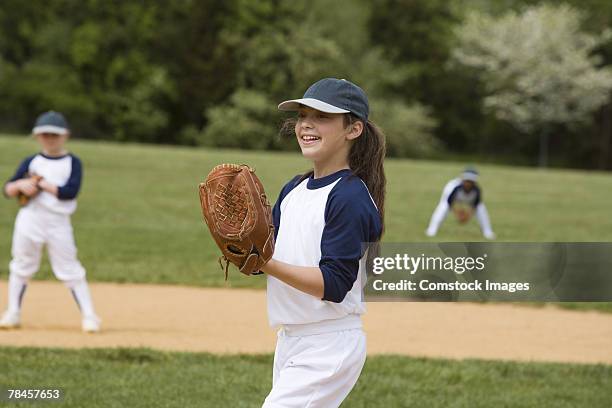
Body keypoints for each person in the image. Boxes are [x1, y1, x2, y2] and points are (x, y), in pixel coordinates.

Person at [258, 78, 384, 407]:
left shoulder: (349, 196)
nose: (307, 124)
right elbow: (270, 257)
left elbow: (334, 283)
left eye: (323, 116)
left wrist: (263, 262)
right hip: (292, 339)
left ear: (353, 129)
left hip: (328, 342)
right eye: (302, 115)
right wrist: (243, 251)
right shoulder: (293, 189)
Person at [0, 111, 101, 333]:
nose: (49, 138)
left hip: (58, 222)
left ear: (65, 136)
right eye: (44, 134)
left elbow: (69, 192)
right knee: (22, 265)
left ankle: (90, 316)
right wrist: (21, 185)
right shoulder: (31, 161)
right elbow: (7, 189)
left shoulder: (72, 162)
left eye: (54, 135)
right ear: (37, 136)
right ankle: (13, 312)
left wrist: (41, 183)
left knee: (70, 269)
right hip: (30, 219)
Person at [425, 167, 496, 239]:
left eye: (470, 181)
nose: (468, 183)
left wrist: (467, 216)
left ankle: (488, 232)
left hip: (468, 199)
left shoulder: (476, 190)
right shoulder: (455, 188)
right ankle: (431, 230)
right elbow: (450, 203)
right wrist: (458, 215)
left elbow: (475, 206)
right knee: (443, 207)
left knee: (481, 208)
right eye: (466, 181)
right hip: (453, 199)